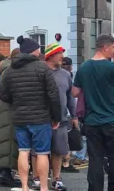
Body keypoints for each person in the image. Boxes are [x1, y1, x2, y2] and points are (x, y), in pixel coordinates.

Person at [72, 34, 114, 191]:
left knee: (95, 160)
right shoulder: (112, 67)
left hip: (92, 121)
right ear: (106, 48)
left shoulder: (84, 67)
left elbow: (74, 92)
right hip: (113, 120)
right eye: (113, 47)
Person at [0, 36, 62, 191]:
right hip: (40, 117)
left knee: (23, 151)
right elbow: (53, 95)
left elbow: (3, 95)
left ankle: (25, 186)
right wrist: (56, 117)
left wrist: (17, 101)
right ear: (34, 51)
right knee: (42, 153)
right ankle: (44, 187)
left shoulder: (9, 71)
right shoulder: (42, 68)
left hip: (19, 117)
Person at [43, 43, 76, 191]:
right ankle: (39, 178)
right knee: (39, 151)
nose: (62, 56)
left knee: (58, 150)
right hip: (42, 118)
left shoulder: (66, 74)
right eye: (59, 53)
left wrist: (74, 115)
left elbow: (70, 97)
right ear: (50, 56)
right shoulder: (41, 72)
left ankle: (57, 179)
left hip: (61, 118)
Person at [0, 48, 22, 188]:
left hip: (4, 110)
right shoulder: (10, 71)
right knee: (8, 142)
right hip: (9, 110)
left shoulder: (5, 70)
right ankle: (6, 173)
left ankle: (6, 172)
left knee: (6, 141)